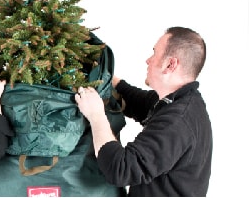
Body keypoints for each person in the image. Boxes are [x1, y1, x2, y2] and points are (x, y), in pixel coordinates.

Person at [75, 26, 212, 196]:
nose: (148, 60)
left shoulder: (177, 121)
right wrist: (106, 75)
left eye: (155, 53)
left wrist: (96, 115)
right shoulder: (181, 101)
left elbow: (121, 169)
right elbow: (136, 101)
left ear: (170, 64)